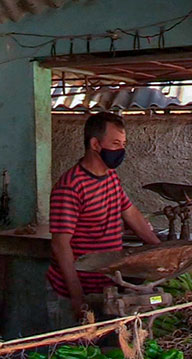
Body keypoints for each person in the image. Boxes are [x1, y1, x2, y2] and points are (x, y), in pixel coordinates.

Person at [46, 112, 160, 330]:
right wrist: (77, 297)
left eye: (123, 144)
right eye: (115, 144)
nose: (121, 150)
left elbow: (131, 214)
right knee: (73, 356)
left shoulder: (110, 177)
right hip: (74, 292)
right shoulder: (71, 186)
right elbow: (60, 245)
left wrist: (161, 251)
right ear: (95, 144)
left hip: (106, 287)